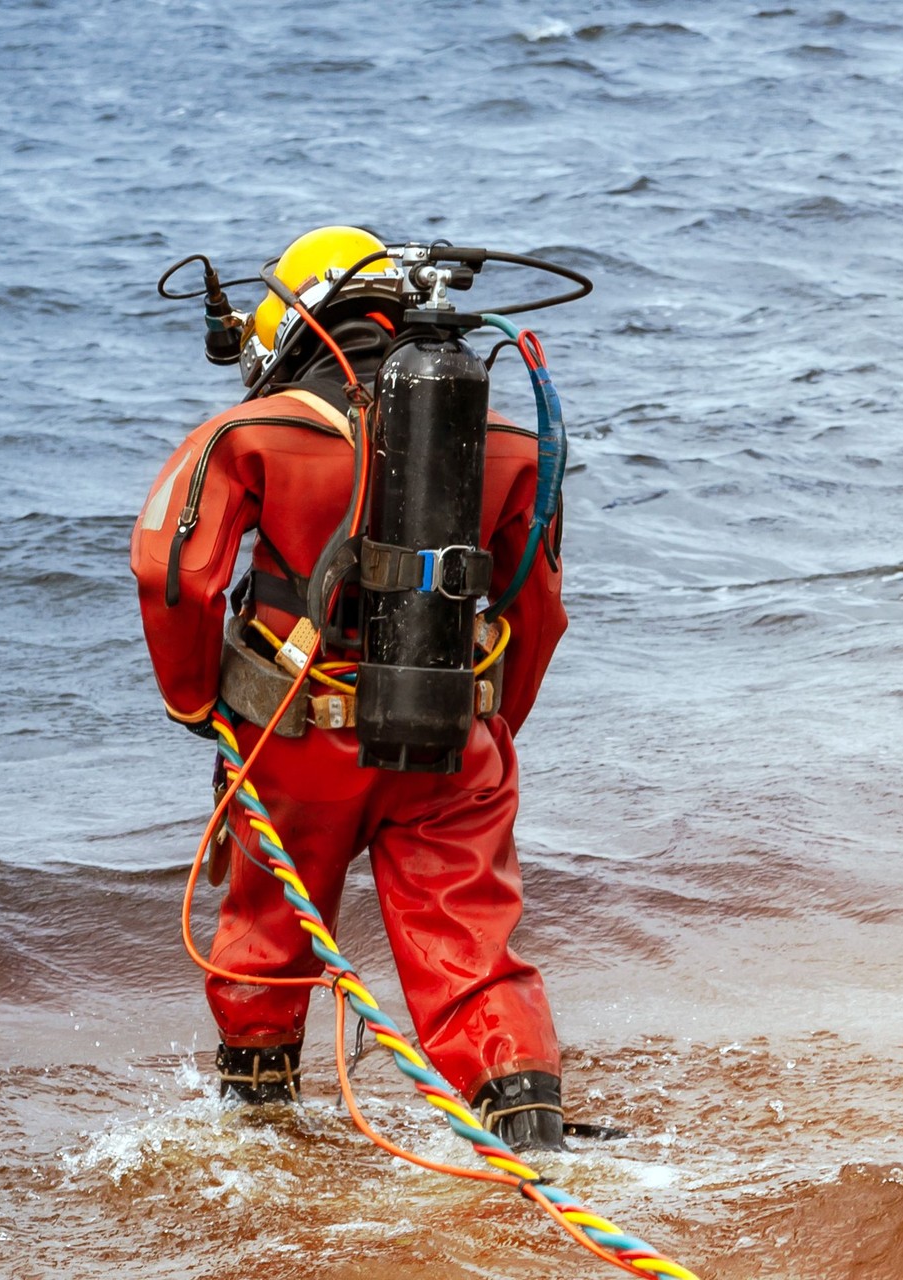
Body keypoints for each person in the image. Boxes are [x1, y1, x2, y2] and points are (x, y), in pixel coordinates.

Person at [129, 226, 572, 1151]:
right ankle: (536, 1145)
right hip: (457, 739)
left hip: (300, 739)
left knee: (269, 933)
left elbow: (171, 573)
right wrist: (488, 729)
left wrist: (195, 704)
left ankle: (261, 1138)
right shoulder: (504, 440)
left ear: (297, 319)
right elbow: (538, 605)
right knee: (474, 951)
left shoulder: (250, 433)